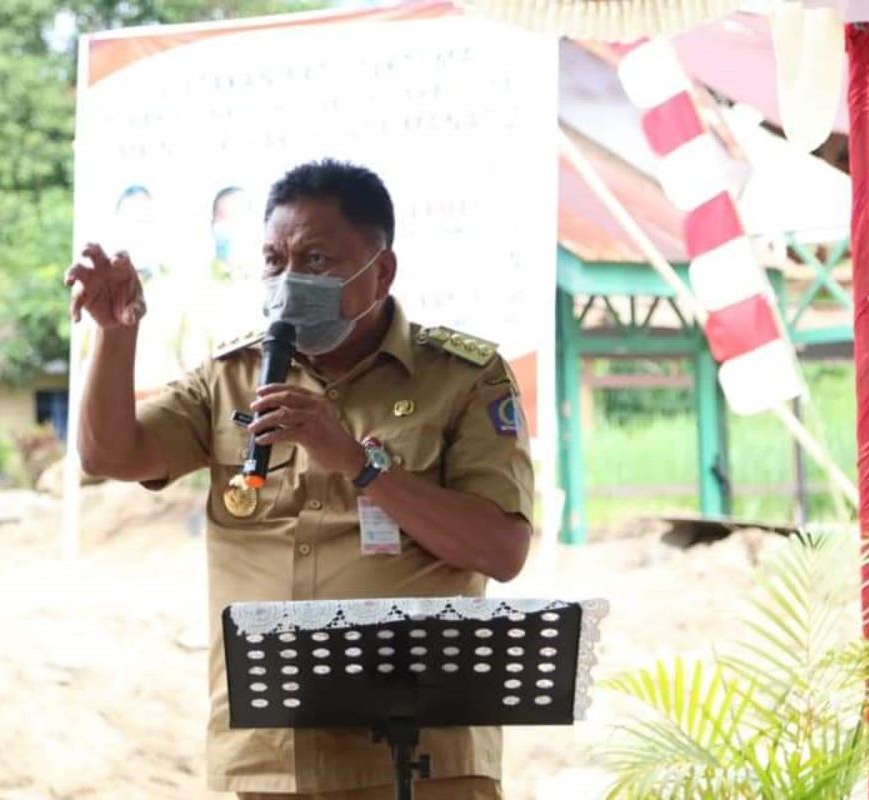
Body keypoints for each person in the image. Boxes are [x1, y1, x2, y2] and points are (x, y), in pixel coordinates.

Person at [66, 159, 533, 800]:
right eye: (273, 260)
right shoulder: (231, 376)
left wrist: (360, 465)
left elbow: (501, 551)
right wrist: (115, 335)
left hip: (421, 759)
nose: (289, 282)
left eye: (315, 261)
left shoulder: (463, 378)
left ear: (382, 271)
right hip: (270, 757)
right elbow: (109, 454)